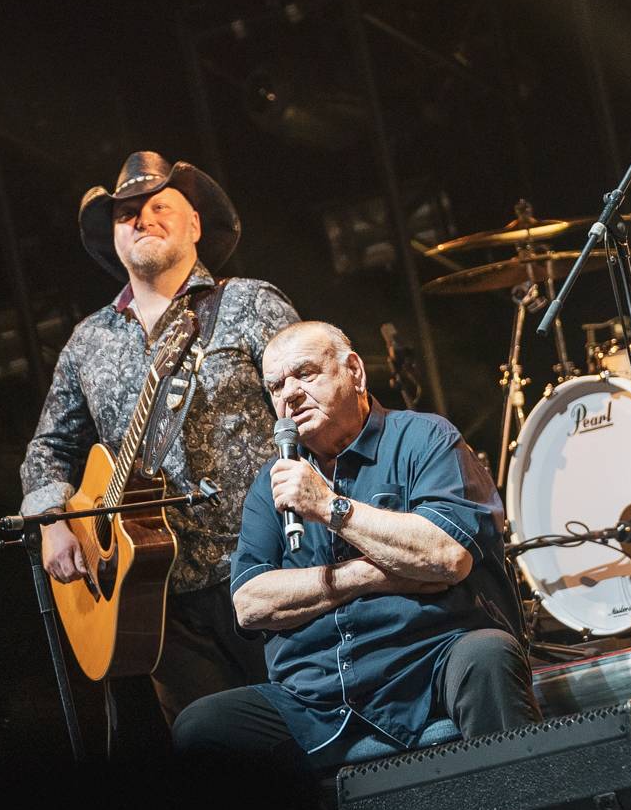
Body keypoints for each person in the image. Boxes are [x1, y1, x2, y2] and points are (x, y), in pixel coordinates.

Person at [171, 321, 540, 771]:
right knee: (202, 726)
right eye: (275, 386)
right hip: (313, 696)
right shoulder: (272, 485)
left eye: (305, 374)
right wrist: (366, 575)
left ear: (356, 373)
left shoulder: (425, 439)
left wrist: (328, 506)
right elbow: (250, 603)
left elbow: (446, 555)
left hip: (428, 667)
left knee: (489, 655)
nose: (289, 395)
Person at [21, 151, 300, 726]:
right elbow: (47, 449)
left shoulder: (249, 302)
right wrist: (51, 518)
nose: (141, 218)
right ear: (114, 239)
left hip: (271, 569)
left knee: (314, 731)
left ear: (195, 225)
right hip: (155, 599)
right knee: (217, 755)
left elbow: (313, 406)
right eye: (126, 213)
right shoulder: (87, 341)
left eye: (158, 205)